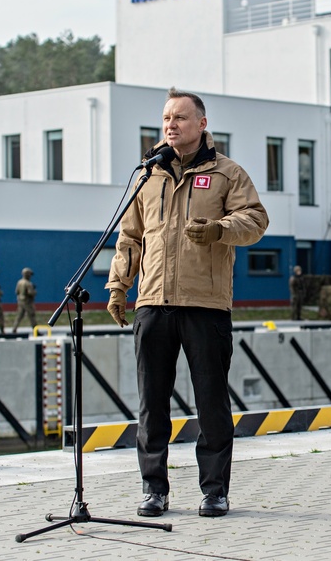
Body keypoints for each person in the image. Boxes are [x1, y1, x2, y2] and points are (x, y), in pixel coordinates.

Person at [106, 87, 269, 519]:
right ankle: (153, 490)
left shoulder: (227, 174)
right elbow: (130, 237)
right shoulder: (147, 175)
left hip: (206, 306)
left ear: (202, 124)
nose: (171, 125)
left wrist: (218, 229)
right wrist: (119, 287)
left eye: (180, 118)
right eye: (165, 119)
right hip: (153, 303)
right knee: (151, 404)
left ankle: (215, 491)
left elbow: (255, 220)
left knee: (212, 404)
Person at [12, 267, 37, 333]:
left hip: (20, 301)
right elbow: (30, 293)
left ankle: (14, 328)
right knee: (31, 316)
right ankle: (36, 330)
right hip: (27, 302)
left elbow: (16, 291)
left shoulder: (19, 282)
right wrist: (34, 291)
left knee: (19, 316)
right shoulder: (28, 283)